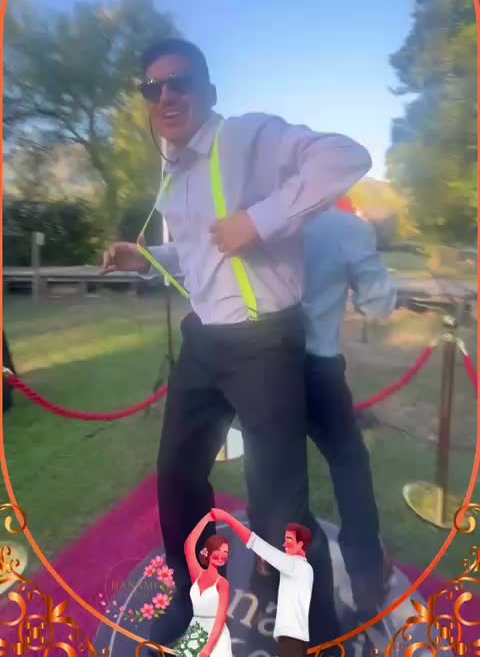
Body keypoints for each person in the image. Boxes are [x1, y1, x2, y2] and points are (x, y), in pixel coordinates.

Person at [101, 38, 372, 647]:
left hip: (263, 345)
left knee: (281, 510)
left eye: (180, 82)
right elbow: (200, 253)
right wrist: (145, 257)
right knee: (177, 479)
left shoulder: (247, 136)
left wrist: (261, 219)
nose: (166, 96)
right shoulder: (174, 171)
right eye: (153, 88)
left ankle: (310, 636)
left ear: (209, 90)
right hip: (203, 341)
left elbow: (347, 156)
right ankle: (195, 591)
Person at [301, 203, 397, 619]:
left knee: (272, 467)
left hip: (261, 365)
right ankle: (366, 577)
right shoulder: (346, 227)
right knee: (349, 463)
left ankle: (270, 562)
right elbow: (377, 303)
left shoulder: (260, 216)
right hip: (317, 366)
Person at [212, 508, 314, 657]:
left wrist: (230, 521)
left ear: (300, 545)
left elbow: (256, 544)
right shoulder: (301, 567)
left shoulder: (294, 566)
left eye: (289, 541)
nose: (285, 544)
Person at [176, 512, 232, 657]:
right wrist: (206, 519)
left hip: (215, 638)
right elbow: (189, 545)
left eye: (225, 552)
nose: (221, 555)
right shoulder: (197, 574)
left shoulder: (222, 584)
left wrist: (208, 648)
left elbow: (220, 619)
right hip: (195, 630)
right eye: (218, 550)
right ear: (209, 551)